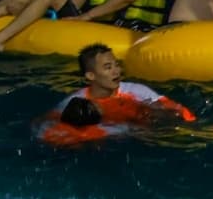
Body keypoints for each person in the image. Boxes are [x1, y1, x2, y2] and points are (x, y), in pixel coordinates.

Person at [45, 44, 196, 133]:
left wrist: (188, 125)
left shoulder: (137, 92)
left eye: (116, 65)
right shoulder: (75, 102)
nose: (116, 71)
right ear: (91, 75)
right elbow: (48, 123)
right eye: (107, 67)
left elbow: (175, 109)